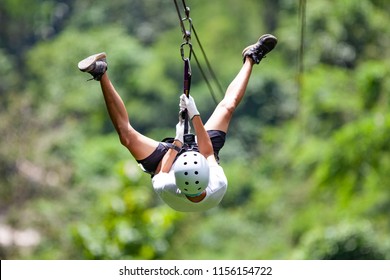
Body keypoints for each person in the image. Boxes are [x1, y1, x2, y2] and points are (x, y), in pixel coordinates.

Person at [78, 34, 277, 212]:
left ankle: (101, 72)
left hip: (168, 161)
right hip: (200, 154)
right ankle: (251, 57)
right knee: (227, 107)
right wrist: (194, 113)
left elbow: (164, 170)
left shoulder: (166, 186)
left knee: (126, 136)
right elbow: (207, 153)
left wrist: (178, 142)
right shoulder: (218, 183)